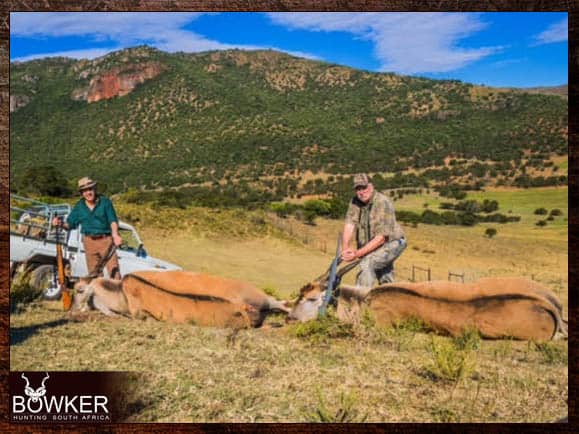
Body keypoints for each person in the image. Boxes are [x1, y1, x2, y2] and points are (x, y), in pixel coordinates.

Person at [341, 173, 406, 287]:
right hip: (375, 244)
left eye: (364, 187)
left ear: (371, 186)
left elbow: (381, 238)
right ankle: (390, 301)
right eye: (358, 189)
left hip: (392, 243)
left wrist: (356, 254)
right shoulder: (355, 201)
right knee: (385, 277)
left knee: (367, 263)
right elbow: (349, 224)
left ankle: (360, 301)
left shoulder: (382, 202)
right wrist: (345, 248)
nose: (361, 192)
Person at [52, 177, 122, 279]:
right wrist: (60, 223)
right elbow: (70, 224)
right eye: (84, 191)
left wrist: (115, 235)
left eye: (90, 189)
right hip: (89, 242)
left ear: (95, 189)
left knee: (114, 272)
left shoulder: (105, 202)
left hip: (106, 240)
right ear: (81, 193)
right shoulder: (79, 206)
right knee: (94, 274)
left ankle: (117, 294)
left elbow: (113, 220)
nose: (88, 193)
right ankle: (99, 294)